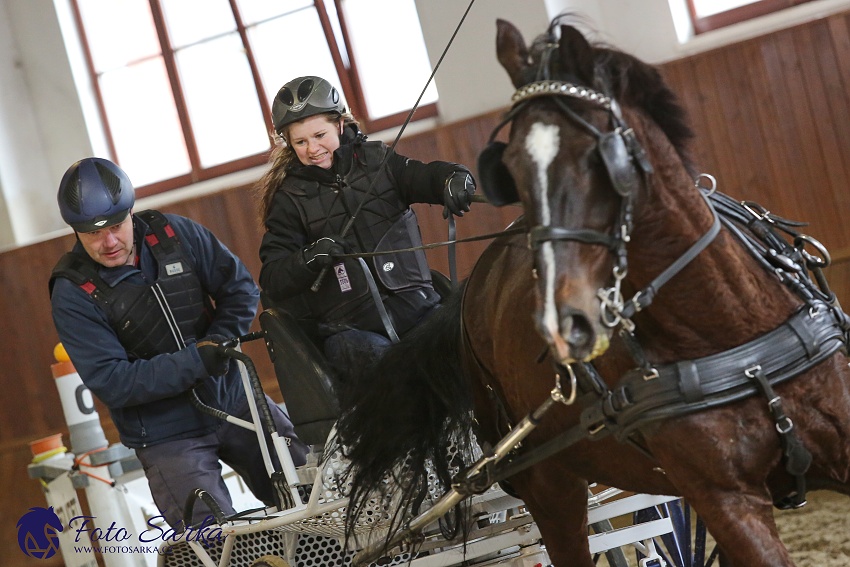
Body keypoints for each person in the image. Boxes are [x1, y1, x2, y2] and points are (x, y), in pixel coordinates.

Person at [49, 157, 309, 530]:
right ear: (75, 231)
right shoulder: (72, 291)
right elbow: (113, 381)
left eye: (117, 227)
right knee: (215, 543)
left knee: (312, 495)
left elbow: (238, 287)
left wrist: (220, 341)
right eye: (92, 233)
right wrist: (198, 361)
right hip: (166, 435)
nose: (108, 242)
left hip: (236, 397)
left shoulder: (172, 233)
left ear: (131, 212)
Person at [257, 76, 476, 401]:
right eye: (300, 142)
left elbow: (427, 176)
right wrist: (307, 258)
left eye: (319, 135)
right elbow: (272, 277)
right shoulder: (288, 199)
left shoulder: (379, 162)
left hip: (419, 311)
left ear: (341, 124)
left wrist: (454, 178)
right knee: (381, 362)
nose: (312, 149)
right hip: (352, 331)